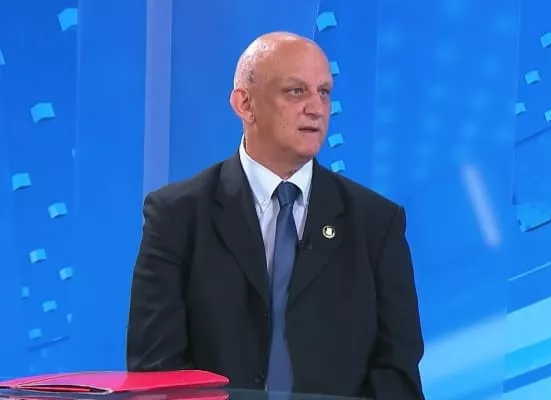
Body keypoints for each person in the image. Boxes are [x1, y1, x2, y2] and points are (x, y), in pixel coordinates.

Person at [126, 31, 425, 399]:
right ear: (245, 104)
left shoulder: (376, 223)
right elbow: (157, 370)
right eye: (296, 91)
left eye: (324, 92)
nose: (316, 108)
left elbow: (397, 372)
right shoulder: (176, 216)